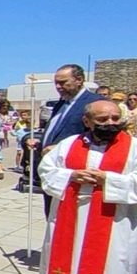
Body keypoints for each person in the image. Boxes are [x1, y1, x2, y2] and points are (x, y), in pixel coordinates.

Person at [36, 100, 137, 274]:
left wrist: (108, 180)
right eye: (102, 120)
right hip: (71, 219)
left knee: (113, 272)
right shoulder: (68, 145)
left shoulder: (133, 147)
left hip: (115, 223)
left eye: (114, 118)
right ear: (87, 121)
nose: (110, 124)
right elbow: (46, 171)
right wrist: (72, 175)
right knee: (70, 267)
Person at [27, 64, 104, 218]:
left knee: (69, 219)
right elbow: (57, 129)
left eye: (63, 82)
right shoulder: (61, 104)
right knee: (52, 215)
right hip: (54, 170)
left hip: (75, 173)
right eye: (56, 83)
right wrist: (40, 140)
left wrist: (62, 147)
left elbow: (99, 136)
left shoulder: (94, 103)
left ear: (79, 80)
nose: (58, 87)